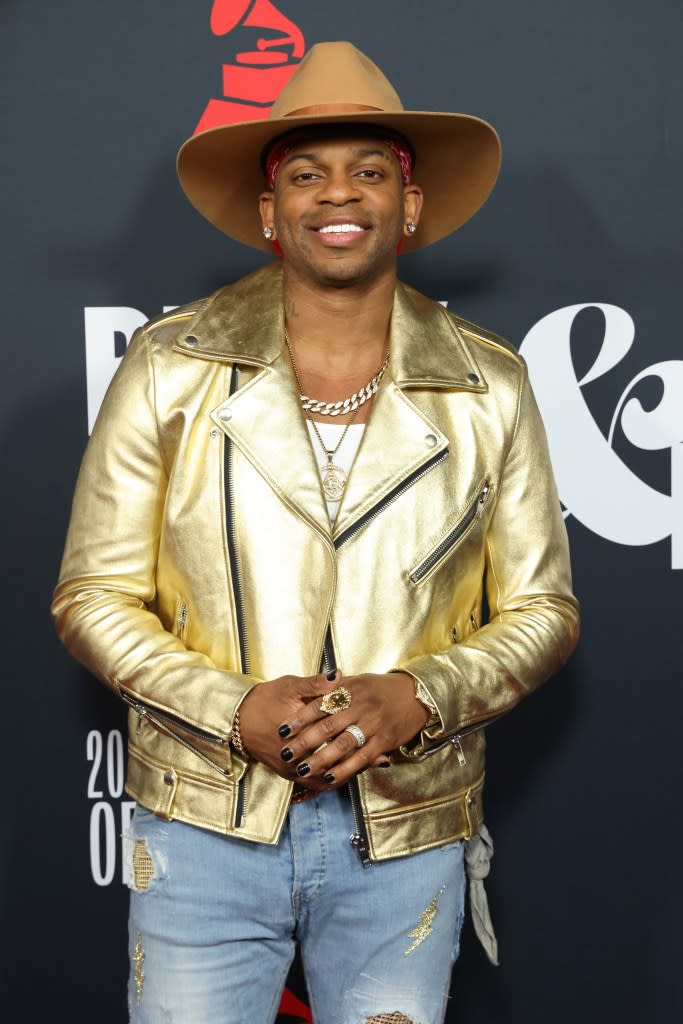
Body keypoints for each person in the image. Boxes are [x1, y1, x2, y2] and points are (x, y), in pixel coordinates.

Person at [52, 41, 579, 1024]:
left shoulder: (488, 383)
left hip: (405, 829)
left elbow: (542, 611)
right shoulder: (169, 368)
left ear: (408, 205)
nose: (338, 193)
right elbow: (92, 596)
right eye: (306, 173)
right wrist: (230, 707)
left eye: (368, 170)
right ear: (268, 211)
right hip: (204, 823)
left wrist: (418, 695)